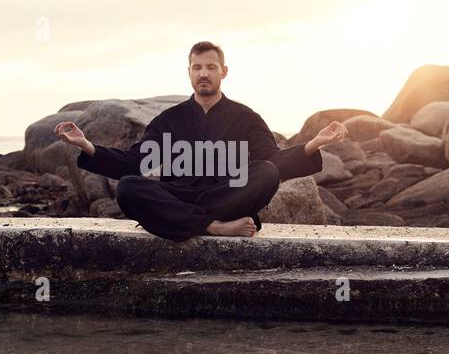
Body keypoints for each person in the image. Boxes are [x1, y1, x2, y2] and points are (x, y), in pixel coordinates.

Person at [55, 41, 348, 241]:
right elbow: (136, 162)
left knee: (267, 172)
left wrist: (313, 144)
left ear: (224, 71)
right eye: (197, 68)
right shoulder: (169, 119)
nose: (204, 73)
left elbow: (272, 160)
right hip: (178, 195)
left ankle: (187, 222)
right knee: (130, 186)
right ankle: (213, 227)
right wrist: (86, 145)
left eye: (210, 67)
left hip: (226, 196)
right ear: (189, 72)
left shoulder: (246, 117)